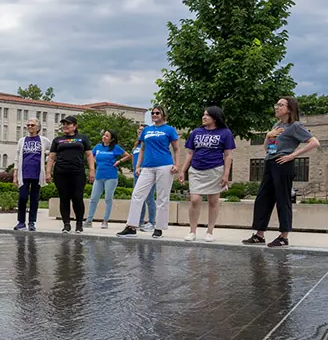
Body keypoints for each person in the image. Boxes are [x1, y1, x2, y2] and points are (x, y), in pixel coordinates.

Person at [242, 97, 320, 248]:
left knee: (282, 199)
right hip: (270, 162)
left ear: (290, 108)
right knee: (263, 198)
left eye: (280, 105)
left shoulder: (295, 126)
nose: (276, 107)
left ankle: (284, 237)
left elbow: (314, 142)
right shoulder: (277, 126)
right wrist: (267, 136)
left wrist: (291, 156)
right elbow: (268, 150)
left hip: (283, 164)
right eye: (276, 104)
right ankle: (259, 235)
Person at [117, 106, 180, 239]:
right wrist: (138, 166)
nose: (155, 115)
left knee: (162, 197)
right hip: (148, 167)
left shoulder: (169, 130)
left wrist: (177, 164)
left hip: (165, 165)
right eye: (153, 113)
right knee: (137, 194)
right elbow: (142, 149)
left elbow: (176, 149)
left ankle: (158, 228)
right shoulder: (147, 130)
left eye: (157, 113)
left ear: (163, 115)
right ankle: (131, 226)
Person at [179, 106, 236, 242]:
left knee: (213, 201)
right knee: (195, 200)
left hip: (215, 169)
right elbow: (189, 153)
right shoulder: (196, 132)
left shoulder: (225, 133)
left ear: (215, 118)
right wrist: (183, 171)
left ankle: (210, 231)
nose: (203, 117)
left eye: (207, 115)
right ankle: (192, 231)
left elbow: (228, 155)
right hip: (196, 170)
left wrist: (226, 175)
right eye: (203, 115)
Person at [46, 115, 94, 233]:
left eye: (68, 124)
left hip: (77, 172)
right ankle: (66, 224)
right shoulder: (58, 140)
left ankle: (79, 223)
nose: (65, 126)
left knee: (77, 198)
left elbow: (89, 155)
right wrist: (48, 172)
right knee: (64, 198)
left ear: (75, 126)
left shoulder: (82, 138)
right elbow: (51, 157)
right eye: (64, 124)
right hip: (61, 172)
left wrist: (92, 170)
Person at [13, 118, 52, 231]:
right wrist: (15, 175)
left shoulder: (43, 140)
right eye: (28, 125)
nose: (30, 127)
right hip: (23, 173)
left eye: (32, 125)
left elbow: (53, 151)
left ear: (38, 128)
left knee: (34, 199)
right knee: (22, 197)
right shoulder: (22, 141)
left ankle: (31, 222)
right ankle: (21, 222)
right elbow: (17, 158)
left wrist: (47, 156)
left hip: (37, 174)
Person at [85, 129, 130, 228]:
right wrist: (96, 162)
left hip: (111, 176)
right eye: (104, 135)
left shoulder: (115, 148)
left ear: (111, 139)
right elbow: (90, 155)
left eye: (107, 136)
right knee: (93, 198)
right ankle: (89, 220)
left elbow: (127, 156)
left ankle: (105, 221)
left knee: (108, 199)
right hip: (99, 176)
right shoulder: (98, 147)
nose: (104, 137)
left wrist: (119, 161)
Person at [131, 124, 156, 232]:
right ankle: (139, 221)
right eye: (139, 130)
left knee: (149, 199)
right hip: (137, 175)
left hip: (147, 173)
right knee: (138, 198)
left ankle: (152, 222)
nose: (140, 132)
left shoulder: (149, 145)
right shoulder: (136, 146)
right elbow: (134, 159)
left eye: (142, 130)